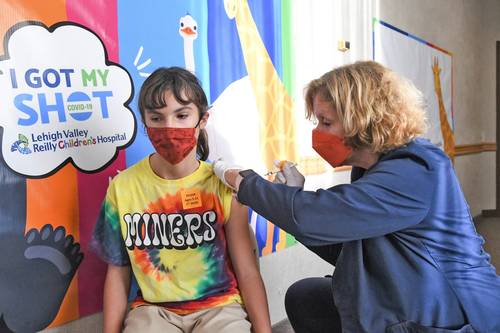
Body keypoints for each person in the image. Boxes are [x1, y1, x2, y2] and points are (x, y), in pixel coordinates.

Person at [214, 61, 500, 333]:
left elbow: (312, 217)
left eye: (326, 122)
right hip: (403, 295)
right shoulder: (369, 169)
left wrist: (242, 181)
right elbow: (344, 247)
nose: (317, 134)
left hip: (450, 315)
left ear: (363, 120)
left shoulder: (418, 168)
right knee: (306, 296)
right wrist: (291, 202)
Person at [91, 67, 271, 333]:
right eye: (156, 117)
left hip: (220, 308)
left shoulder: (223, 186)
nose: (169, 127)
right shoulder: (123, 187)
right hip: (153, 312)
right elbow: (117, 273)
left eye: (182, 115)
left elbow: (247, 271)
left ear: (203, 119)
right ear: (145, 122)